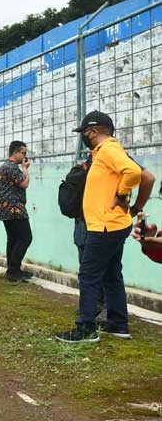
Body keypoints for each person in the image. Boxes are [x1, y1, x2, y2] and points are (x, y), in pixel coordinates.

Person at [56, 111, 141, 343]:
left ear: (93, 131)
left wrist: (122, 195)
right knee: (112, 275)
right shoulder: (103, 152)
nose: (83, 136)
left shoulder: (109, 149)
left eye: (84, 132)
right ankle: (118, 324)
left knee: (89, 275)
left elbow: (134, 173)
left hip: (105, 226)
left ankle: (86, 328)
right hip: (110, 224)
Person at [0, 141, 33, 282]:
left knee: (13, 239)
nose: (24, 156)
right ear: (15, 152)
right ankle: (13, 270)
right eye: (23, 153)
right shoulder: (11, 167)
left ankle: (13, 270)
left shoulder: (4, 167)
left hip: (5, 209)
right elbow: (24, 184)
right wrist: (25, 169)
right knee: (25, 238)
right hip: (14, 209)